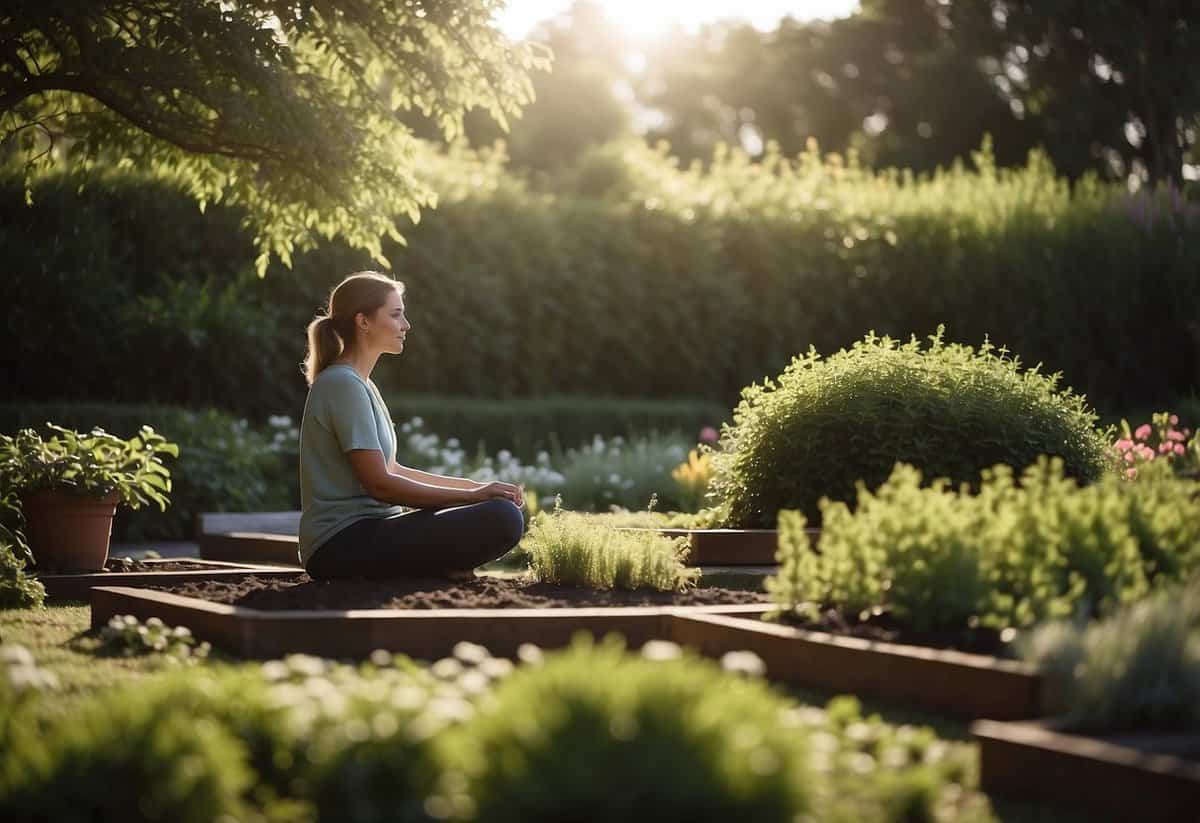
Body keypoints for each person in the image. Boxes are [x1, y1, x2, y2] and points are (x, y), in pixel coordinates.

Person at [298, 271, 525, 579]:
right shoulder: (342, 384)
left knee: (498, 509)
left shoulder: (362, 385)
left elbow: (393, 470)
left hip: (368, 534)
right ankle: (437, 569)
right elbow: (380, 484)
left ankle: (436, 569)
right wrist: (474, 498)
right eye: (396, 315)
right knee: (501, 518)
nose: (406, 325)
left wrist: (477, 488)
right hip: (339, 545)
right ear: (363, 321)